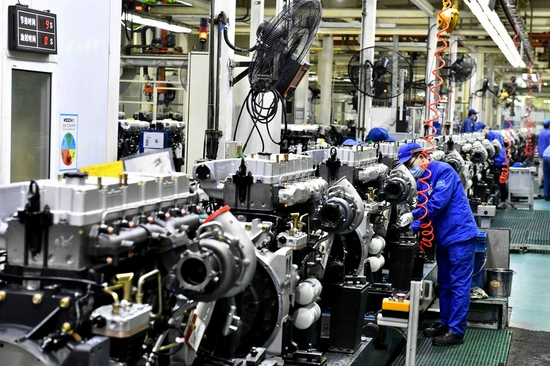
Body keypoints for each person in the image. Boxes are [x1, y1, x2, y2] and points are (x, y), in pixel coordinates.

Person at [396, 142, 479, 346]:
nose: (408, 169)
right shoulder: (421, 179)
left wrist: (413, 216)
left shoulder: (444, 171)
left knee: (459, 284)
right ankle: (445, 323)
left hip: (460, 235)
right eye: (404, 167)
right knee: (445, 283)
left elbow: (436, 204)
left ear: (421, 156)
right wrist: (408, 227)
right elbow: (424, 208)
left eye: (409, 164)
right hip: (444, 237)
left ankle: (456, 331)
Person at [474, 122, 508, 207]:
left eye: (482, 131)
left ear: (485, 128)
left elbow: (496, 149)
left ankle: (504, 201)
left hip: (501, 161)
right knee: (494, 181)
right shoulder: (487, 137)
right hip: (495, 161)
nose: (482, 134)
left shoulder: (494, 135)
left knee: (501, 182)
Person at [537, 120, 550, 189]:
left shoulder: (540, 133)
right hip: (548, 154)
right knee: (547, 171)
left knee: (541, 168)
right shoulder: (549, 133)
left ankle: (539, 183)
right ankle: (546, 185)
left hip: (541, 153)